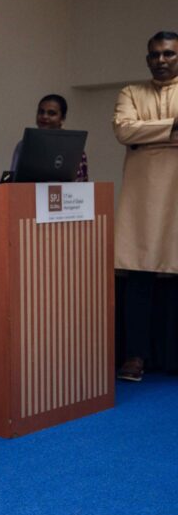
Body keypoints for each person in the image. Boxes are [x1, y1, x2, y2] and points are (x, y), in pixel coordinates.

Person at [114, 31, 178, 382]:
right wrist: (173, 128)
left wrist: (148, 136)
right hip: (142, 200)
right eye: (154, 54)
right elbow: (124, 131)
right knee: (138, 273)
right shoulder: (131, 92)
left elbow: (136, 132)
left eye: (168, 54)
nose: (161, 60)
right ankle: (134, 356)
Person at [10, 94, 89, 181]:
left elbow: (82, 182)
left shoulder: (74, 147)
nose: (44, 116)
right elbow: (14, 179)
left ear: (62, 118)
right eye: (41, 112)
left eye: (51, 113)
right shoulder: (24, 145)